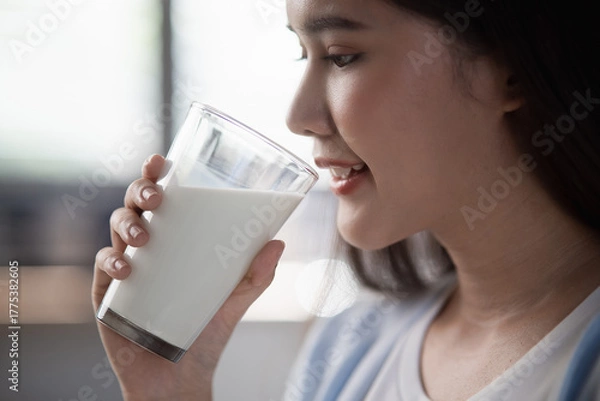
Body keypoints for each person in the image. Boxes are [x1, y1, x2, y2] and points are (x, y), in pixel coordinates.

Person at [92, 0, 600, 399]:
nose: (297, 115)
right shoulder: (352, 344)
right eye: (303, 55)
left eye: (341, 56)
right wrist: (170, 392)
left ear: (511, 69)